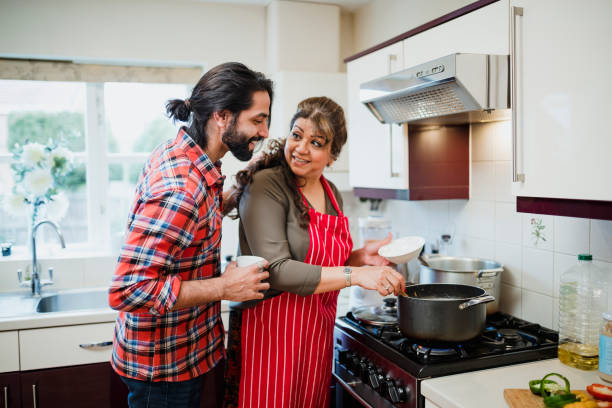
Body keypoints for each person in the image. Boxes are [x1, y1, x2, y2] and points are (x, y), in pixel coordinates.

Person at [108, 62, 274, 408]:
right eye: (258, 120)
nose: (265, 131)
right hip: (163, 370)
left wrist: (239, 187)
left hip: (182, 354)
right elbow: (129, 289)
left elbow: (191, 224)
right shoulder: (181, 189)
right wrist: (224, 288)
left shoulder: (186, 156)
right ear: (223, 117)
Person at [223, 96, 405, 407]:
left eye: (316, 142)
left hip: (316, 333)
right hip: (270, 335)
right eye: (297, 135)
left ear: (333, 155)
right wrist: (358, 274)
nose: (301, 148)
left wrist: (360, 257)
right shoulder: (267, 184)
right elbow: (278, 269)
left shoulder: (331, 192)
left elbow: (325, 262)